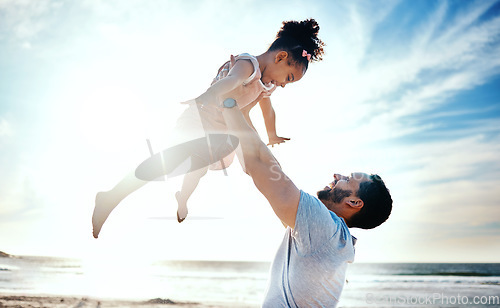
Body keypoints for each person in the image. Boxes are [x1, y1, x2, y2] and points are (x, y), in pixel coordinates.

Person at [92, 19, 325, 238]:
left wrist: (270, 135)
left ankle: (182, 199)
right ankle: (111, 197)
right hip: (199, 119)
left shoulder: (266, 84)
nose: (284, 84)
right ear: (281, 57)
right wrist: (209, 95)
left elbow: (266, 110)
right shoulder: (247, 64)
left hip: (219, 133)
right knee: (165, 163)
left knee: (197, 171)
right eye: (289, 77)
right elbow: (231, 82)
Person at [220, 106, 393, 307]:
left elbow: (259, 165)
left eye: (347, 179)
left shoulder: (323, 226)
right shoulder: (333, 238)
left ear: (354, 202)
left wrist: (229, 105)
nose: (337, 175)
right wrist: (242, 113)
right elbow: (267, 167)